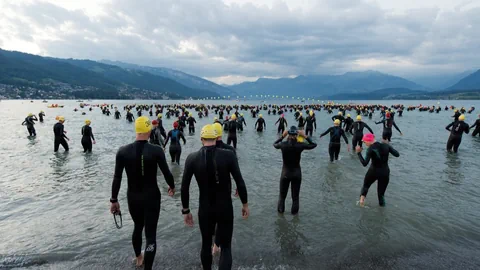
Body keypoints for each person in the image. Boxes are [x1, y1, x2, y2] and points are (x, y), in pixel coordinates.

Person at [110, 116, 175, 270]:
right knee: (150, 234)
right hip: (152, 196)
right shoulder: (156, 150)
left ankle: (139, 258)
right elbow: (167, 173)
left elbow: (117, 177)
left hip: (133, 197)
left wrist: (114, 199)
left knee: (138, 226)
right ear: (148, 130)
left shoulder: (122, 151)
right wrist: (172, 186)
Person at [181, 125, 249, 270]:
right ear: (216, 137)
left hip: (205, 208)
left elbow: (184, 187)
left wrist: (186, 211)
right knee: (226, 247)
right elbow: (240, 181)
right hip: (225, 207)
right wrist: (245, 204)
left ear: (201, 139)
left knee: (206, 244)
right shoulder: (229, 155)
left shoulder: (192, 158)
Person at [273, 126, 317, 215]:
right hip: (297, 174)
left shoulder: (283, 145)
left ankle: (281, 217)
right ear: (297, 135)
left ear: (288, 134)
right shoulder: (300, 145)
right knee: (295, 198)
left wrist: (282, 136)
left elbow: (274, 144)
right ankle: (294, 219)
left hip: (285, 174)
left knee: (282, 197)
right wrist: (305, 136)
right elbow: (313, 145)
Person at [356, 133, 399, 207]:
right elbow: (397, 154)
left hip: (373, 171)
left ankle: (361, 202)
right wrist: (388, 146)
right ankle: (382, 211)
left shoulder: (370, 149)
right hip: (385, 173)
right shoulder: (386, 145)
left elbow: (364, 163)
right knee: (381, 194)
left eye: (364, 141)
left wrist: (359, 153)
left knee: (366, 186)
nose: (364, 143)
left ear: (369, 141)